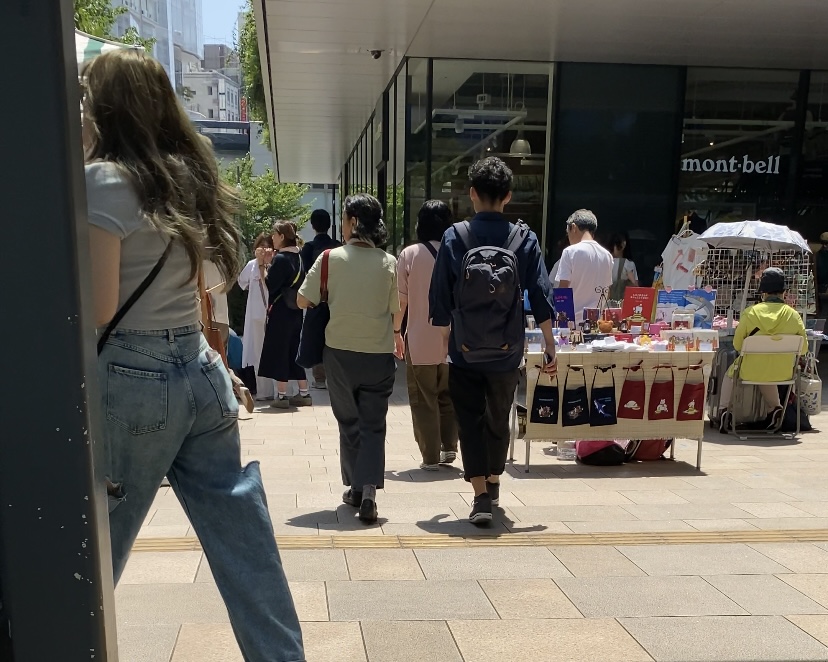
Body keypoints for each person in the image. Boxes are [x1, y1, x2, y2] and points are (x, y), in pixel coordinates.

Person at [83, 49, 304, 660]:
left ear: (103, 107)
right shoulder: (187, 178)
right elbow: (211, 282)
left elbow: (98, 307)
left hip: (132, 378)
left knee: (98, 545)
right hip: (202, 374)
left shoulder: (101, 180)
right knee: (243, 542)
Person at [429, 157, 556, 526]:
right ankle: (496, 477)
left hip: (464, 350)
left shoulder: (455, 236)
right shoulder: (523, 237)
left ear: (472, 195)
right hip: (507, 349)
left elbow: (440, 298)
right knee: (499, 416)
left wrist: (445, 344)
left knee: (469, 420)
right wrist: (549, 343)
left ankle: (481, 495)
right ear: (508, 196)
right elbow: (541, 293)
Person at [297, 194, 398, 524]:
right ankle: (367, 489)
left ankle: (357, 488)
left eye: (344, 219)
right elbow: (396, 311)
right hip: (379, 354)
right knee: (373, 423)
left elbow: (302, 300)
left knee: (349, 421)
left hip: (339, 353)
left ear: (353, 222)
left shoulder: (329, 258)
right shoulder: (389, 262)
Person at [393, 200, 458, 471]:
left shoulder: (409, 254)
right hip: (455, 340)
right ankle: (449, 447)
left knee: (424, 399)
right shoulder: (460, 251)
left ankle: (430, 456)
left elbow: (401, 301)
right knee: (449, 396)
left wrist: (396, 331)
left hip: (420, 339)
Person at [718, 267, 808, 433]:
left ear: (763, 293)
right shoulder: (793, 315)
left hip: (751, 370)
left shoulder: (750, 312)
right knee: (769, 370)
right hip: (784, 372)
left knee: (732, 372)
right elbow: (803, 349)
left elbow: (738, 345)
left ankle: (725, 411)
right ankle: (775, 408)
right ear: (784, 292)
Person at [260, 221, 310, 408]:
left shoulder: (280, 259)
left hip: (281, 311)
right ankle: (304, 392)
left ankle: (281, 396)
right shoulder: (299, 257)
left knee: (280, 350)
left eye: (275, 234)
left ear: (282, 236)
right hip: (295, 310)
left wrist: (264, 265)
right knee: (293, 350)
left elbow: (271, 285)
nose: (272, 237)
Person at [300, 209, 342, 390]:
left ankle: (319, 378)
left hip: (316, 299)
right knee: (336, 336)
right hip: (338, 297)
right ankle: (336, 375)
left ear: (312, 225)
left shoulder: (308, 248)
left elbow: (304, 275)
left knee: (318, 335)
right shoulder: (338, 246)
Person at [238, 232, 278, 401]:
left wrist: (265, 266)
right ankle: (263, 391)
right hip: (255, 316)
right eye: (260, 245)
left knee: (275, 351)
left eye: (266, 245)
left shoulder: (276, 263)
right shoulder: (251, 265)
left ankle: (279, 390)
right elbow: (242, 283)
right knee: (258, 353)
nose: (263, 249)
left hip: (273, 314)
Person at [557, 209, 614, 319]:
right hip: (597, 323)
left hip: (572, 324)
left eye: (567, 233)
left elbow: (562, 291)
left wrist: (561, 323)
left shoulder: (570, 252)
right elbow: (607, 292)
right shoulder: (607, 255)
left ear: (573, 227)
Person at [608, 232, 639, 301]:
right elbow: (635, 285)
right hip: (622, 302)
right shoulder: (628, 264)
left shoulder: (605, 262)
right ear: (623, 244)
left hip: (606, 301)